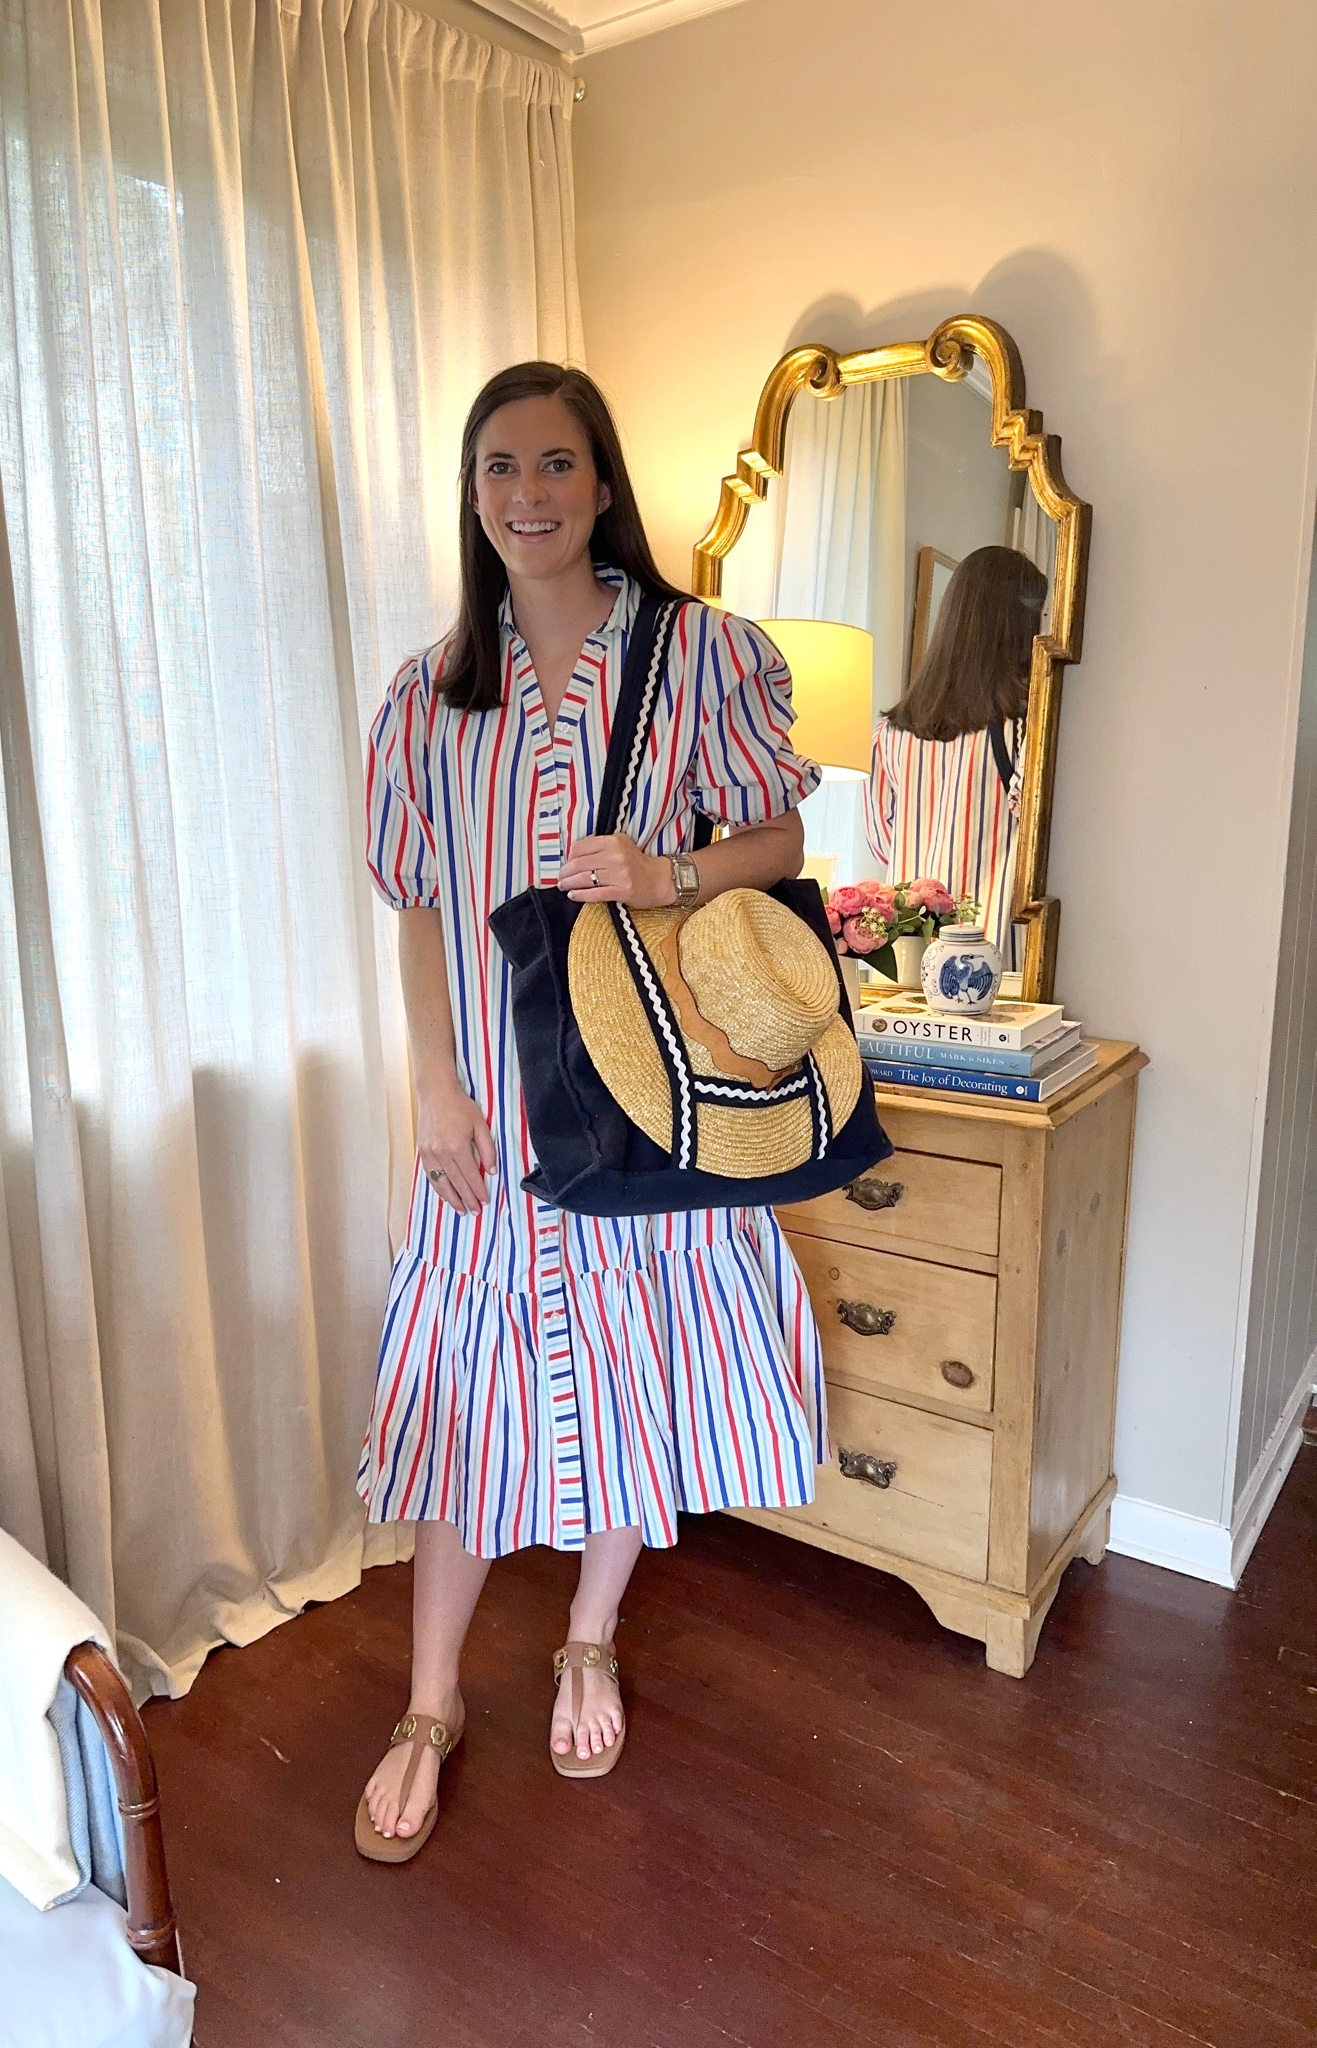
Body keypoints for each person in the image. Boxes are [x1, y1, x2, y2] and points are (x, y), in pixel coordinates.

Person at [355, 361, 826, 1862]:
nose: (528, 494)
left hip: (640, 1096)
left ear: (604, 483)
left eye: (556, 463)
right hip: (490, 1116)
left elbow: (777, 837)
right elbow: (416, 902)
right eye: (499, 466)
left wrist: (669, 870)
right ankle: (428, 1700)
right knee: (464, 1402)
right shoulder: (429, 695)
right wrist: (431, 1080)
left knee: (634, 1369)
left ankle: (588, 1636)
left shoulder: (699, 657)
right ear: (471, 494)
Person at [863, 544, 1048, 967]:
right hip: (991, 954)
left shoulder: (889, 735)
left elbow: (883, 843)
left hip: (910, 955)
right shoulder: (1026, 729)